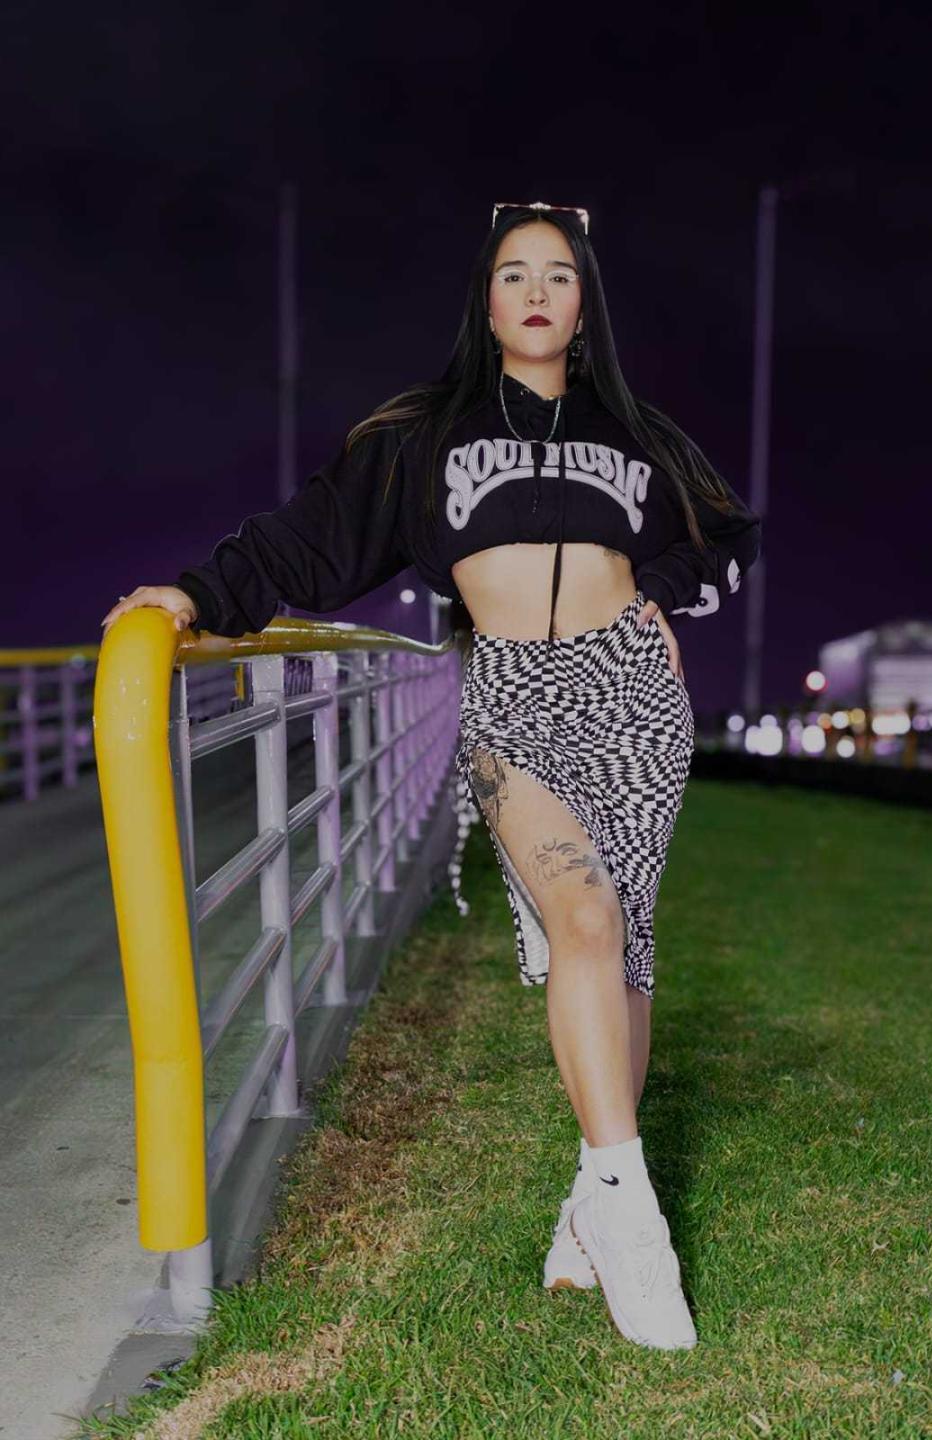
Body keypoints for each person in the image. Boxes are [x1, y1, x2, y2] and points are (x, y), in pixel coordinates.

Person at [100, 200, 762, 1351]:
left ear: (585, 304)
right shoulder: (423, 436)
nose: (537, 292)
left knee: (624, 948)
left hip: (633, 699)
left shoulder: (641, 432)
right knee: (584, 918)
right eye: (515, 274)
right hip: (510, 700)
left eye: (559, 275)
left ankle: (590, 1199)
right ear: (486, 302)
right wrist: (199, 595)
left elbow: (726, 537)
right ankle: (633, 1217)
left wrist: (662, 589)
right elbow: (313, 535)